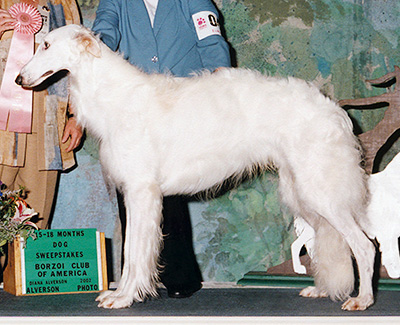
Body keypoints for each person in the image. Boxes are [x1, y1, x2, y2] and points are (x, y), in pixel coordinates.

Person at [92, 0, 231, 298]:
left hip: (183, 103)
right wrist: (93, 49)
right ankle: (135, 280)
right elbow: (105, 29)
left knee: (172, 191)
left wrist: (223, 84)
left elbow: (210, 38)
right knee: (133, 192)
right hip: (133, 108)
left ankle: (180, 277)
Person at [0, 0, 83, 278]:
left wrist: (76, 115)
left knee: (36, 218)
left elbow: (78, 62)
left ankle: (25, 291)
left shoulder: (64, 4)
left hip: (48, 121)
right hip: (1, 122)